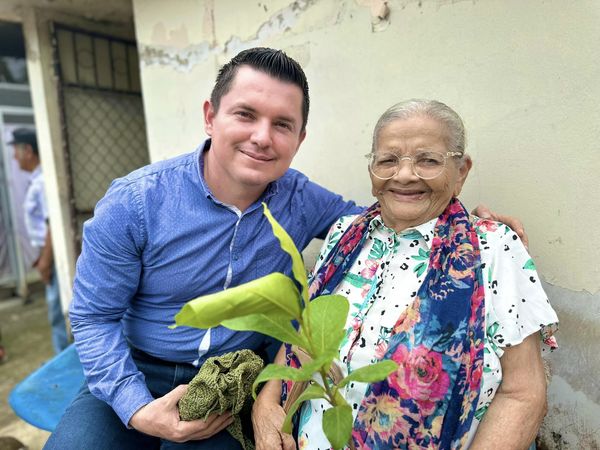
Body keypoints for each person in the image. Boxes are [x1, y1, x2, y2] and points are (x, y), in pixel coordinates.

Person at [46, 48, 525, 449]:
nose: (262, 137)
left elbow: (390, 212)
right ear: (211, 117)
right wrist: (136, 408)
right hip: (137, 368)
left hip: (232, 380)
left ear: (299, 138)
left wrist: (465, 223)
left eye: (282, 124)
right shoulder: (135, 203)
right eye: (245, 115)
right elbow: (92, 317)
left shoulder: (300, 198)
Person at [252, 100, 558, 450]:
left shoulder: (493, 247)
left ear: (461, 172)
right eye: (388, 160)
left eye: (428, 160)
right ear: (372, 171)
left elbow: (523, 394)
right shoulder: (344, 234)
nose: (404, 175)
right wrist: (268, 402)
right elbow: (307, 334)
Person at [9, 128, 69, 355]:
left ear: (28, 150)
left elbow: (52, 224)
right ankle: (62, 356)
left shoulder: (42, 181)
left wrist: (45, 261)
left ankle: (63, 360)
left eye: (16, 151)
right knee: (56, 310)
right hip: (48, 252)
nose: (14, 157)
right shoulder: (37, 180)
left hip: (52, 254)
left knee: (57, 312)